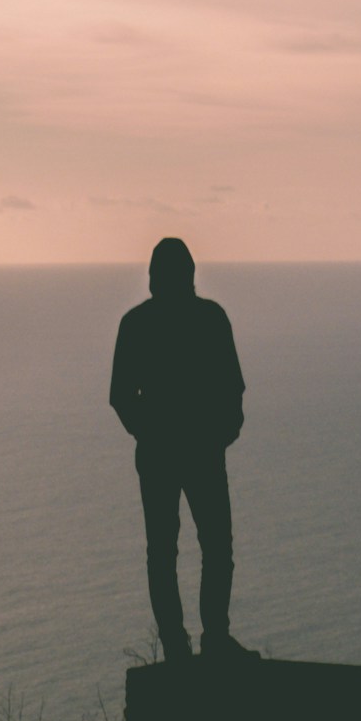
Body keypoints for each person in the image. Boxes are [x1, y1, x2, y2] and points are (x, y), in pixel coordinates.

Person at [109, 236, 246, 665]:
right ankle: (212, 639)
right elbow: (232, 388)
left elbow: (121, 396)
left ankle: (179, 646)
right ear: (189, 275)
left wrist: (149, 432)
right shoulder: (210, 318)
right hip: (196, 451)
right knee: (213, 547)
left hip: (164, 453)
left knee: (166, 551)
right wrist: (218, 433)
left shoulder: (137, 323)